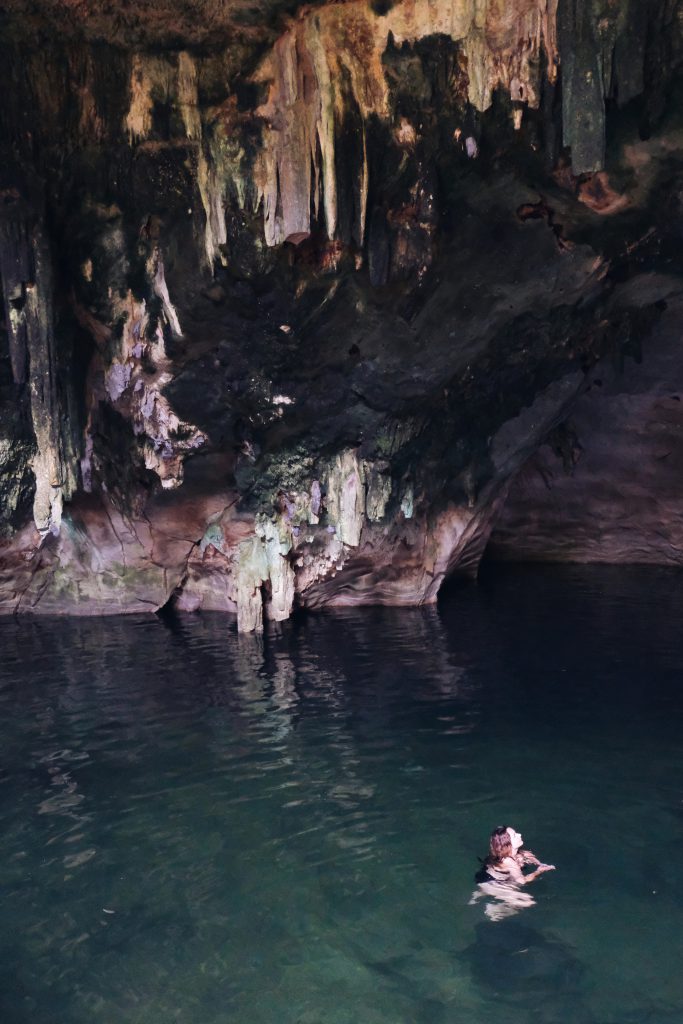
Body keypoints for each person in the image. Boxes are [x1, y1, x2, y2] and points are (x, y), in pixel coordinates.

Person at [470, 825, 555, 921]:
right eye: (515, 835)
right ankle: (495, 911)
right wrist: (538, 871)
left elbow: (526, 855)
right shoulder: (508, 862)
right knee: (527, 901)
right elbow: (522, 881)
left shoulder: (510, 853)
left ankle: (479, 894)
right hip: (491, 883)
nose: (519, 834)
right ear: (508, 844)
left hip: (486, 876)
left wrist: (538, 862)